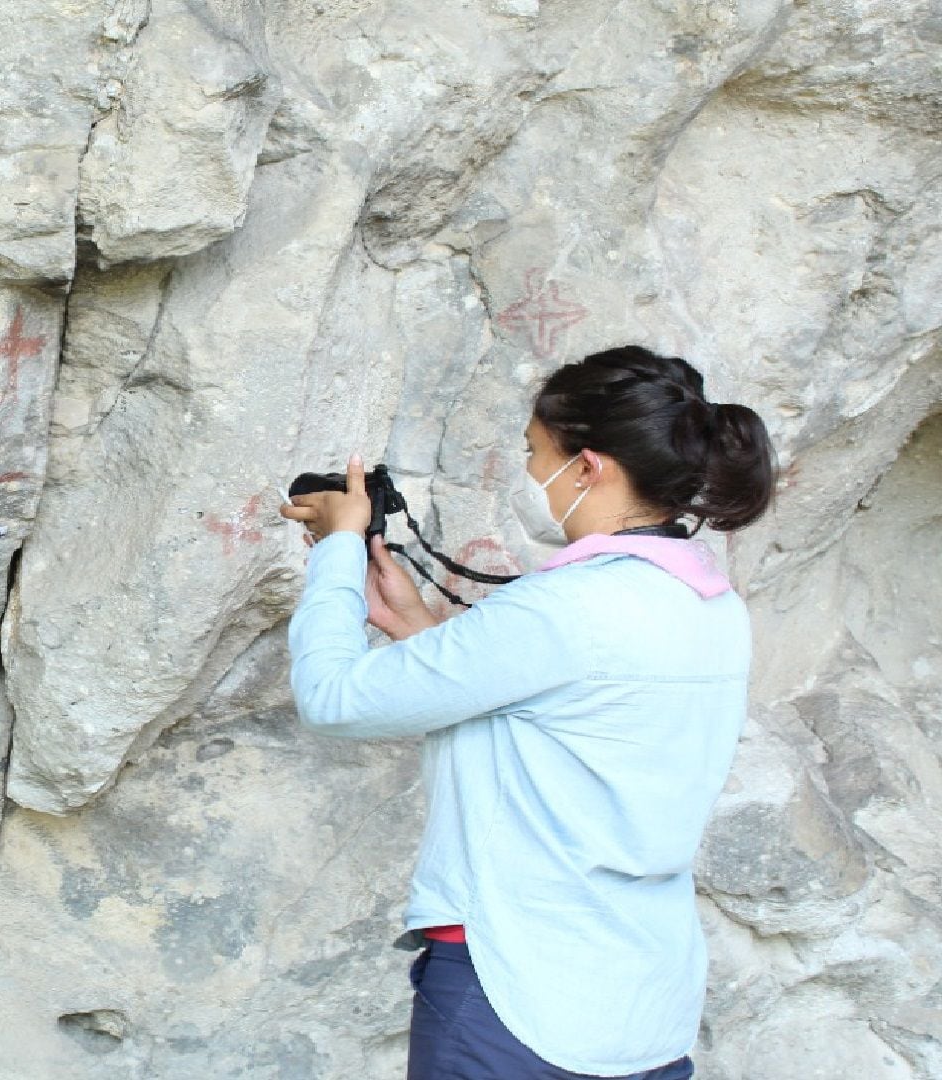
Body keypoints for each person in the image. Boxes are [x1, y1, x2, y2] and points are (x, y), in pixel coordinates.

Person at [278, 346, 776, 1079]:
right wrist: (425, 635)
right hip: (644, 1001)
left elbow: (332, 699)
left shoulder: (567, 607)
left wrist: (340, 553)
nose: (536, 478)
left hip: (518, 994)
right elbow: (567, 717)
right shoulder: (710, 604)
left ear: (590, 467)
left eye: (537, 456)